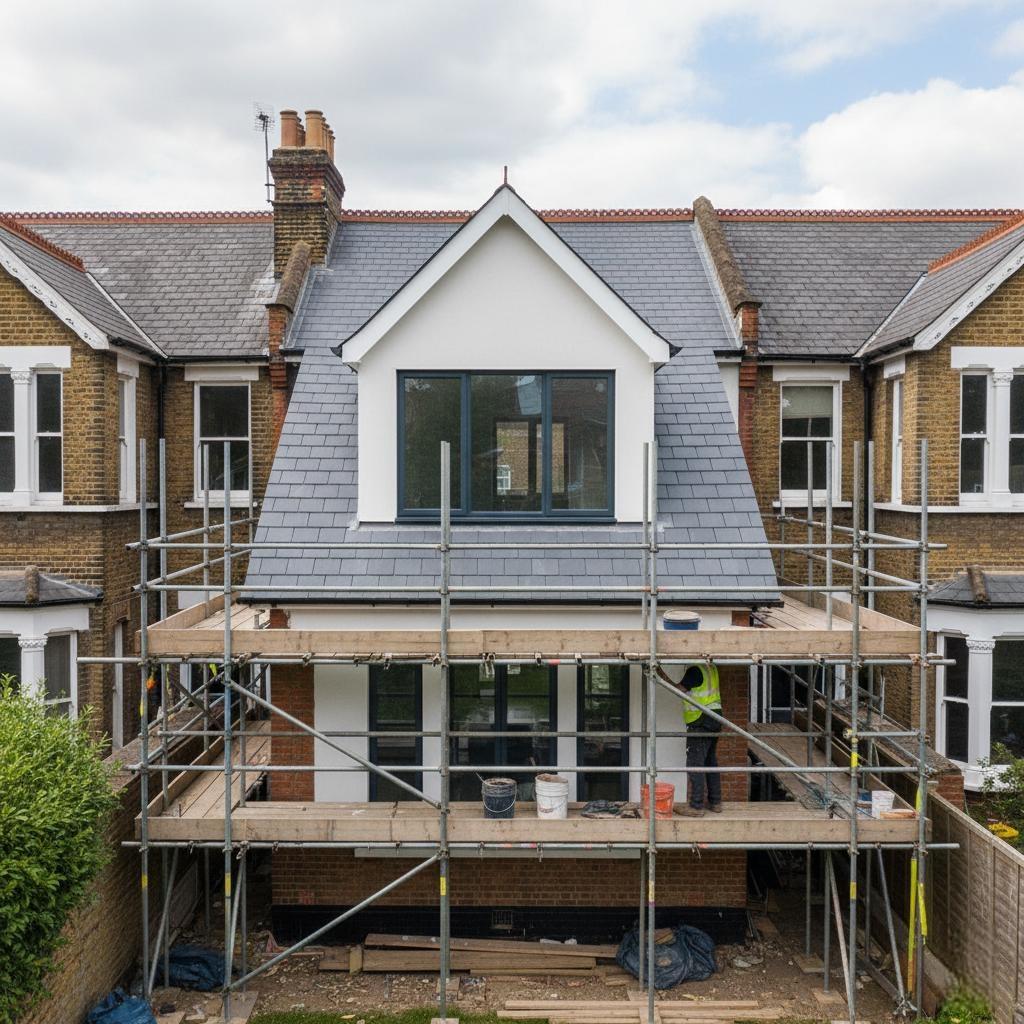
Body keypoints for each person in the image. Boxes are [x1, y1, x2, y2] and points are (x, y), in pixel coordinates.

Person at [659, 663, 722, 817]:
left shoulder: (695, 670)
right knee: (710, 762)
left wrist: (660, 674)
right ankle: (715, 802)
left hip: (700, 720)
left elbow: (678, 690)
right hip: (714, 719)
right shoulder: (711, 667)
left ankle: (696, 806)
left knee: (695, 763)